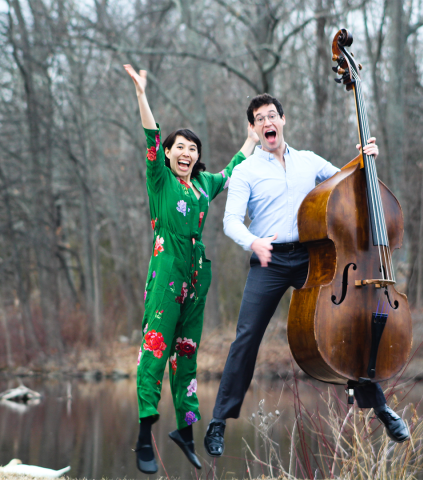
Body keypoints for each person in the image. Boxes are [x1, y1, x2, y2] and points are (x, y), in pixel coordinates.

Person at [203, 93, 410, 457]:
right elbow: (230, 221)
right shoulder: (245, 170)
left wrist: (365, 160)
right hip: (269, 258)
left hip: (312, 256)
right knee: (246, 337)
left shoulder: (308, 161)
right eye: (260, 119)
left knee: (351, 322)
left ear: (283, 120)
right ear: (253, 128)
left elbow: (349, 182)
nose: (268, 123)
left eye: (273, 116)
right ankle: (219, 421)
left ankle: (380, 406)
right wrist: (253, 243)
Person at [124, 64, 258, 473]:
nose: (186, 153)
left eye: (192, 149)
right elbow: (150, 135)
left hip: (198, 277)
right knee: (156, 347)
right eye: (179, 147)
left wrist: (252, 137)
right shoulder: (159, 180)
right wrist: (142, 96)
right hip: (167, 272)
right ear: (168, 153)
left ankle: (185, 428)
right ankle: (145, 429)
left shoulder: (202, 186)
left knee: (187, 353)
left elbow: (233, 169)